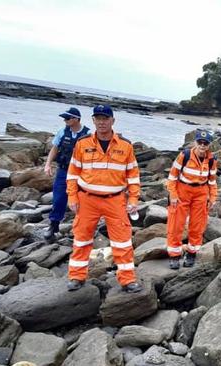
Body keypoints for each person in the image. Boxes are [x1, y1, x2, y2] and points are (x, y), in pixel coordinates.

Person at [65, 104, 142, 293]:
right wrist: (72, 196)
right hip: (86, 200)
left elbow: (133, 176)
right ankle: (76, 276)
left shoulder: (125, 146)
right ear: (93, 120)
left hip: (115, 200)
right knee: (81, 239)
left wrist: (133, 200)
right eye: (98, 118)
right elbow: (73, 172)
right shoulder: (82, 144)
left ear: (112, 121)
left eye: (105, 118)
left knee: (122, 241)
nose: (101, 122)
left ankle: (127, 279)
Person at [165, 129, 218, 269]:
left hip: (201, 192)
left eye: (205, 143)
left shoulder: (212, 160)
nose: (202, 145)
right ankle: (174, 255)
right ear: (195, 142)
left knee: (198, 225)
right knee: (176, 225)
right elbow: (172, 177)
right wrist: (173, 195)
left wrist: (212, 197)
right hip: (183, 190)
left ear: (209, 145)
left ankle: (191, 253)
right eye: (200, 142)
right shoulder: (185, 155)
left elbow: (212, 181)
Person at [43, 107, 90, 240]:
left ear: (76, 119)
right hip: (64, 171)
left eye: (67, 118)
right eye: (64, 118)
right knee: (58, 199)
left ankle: (81, 228)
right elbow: (54, 148)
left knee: (83, 201)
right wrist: (48, 165)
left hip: (82, 173)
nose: (65, 120)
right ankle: (53, 225)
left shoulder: (89, 134)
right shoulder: (62, 132)